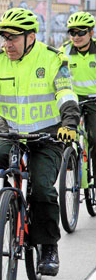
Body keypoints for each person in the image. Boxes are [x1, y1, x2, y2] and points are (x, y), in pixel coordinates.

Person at [0, 8, 80, 277]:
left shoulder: (52, 59)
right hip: (10, 128)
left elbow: (65, 92)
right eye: (3, 38)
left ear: (30, 37)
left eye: (12, 38)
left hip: (46, 133)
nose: (7, 44)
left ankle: (48, 246)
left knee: (43, 191)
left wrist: (69, 124)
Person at [60, 11, 96, 179]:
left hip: (94, 100)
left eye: (81, 32)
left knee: (94, 137)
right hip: (72, 99)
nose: (76, 36)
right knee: (64, 132)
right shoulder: (64, 51)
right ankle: (69, 160)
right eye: (72, 32)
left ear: (91, 33)